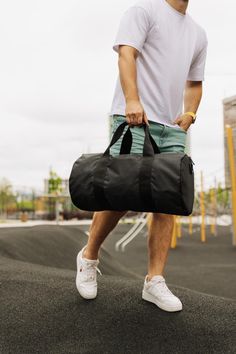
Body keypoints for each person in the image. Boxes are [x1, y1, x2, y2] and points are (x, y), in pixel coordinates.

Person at [76, 0, 208, 312]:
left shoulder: (198, 33)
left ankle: (154, 281)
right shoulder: (144, 11)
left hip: (172, 128)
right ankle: (88, 258)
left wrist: (190, 112)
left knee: (167, 201)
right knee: (119, 195)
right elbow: (126, 54)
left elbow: (195, 82)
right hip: (133, 117)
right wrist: (132, 100)